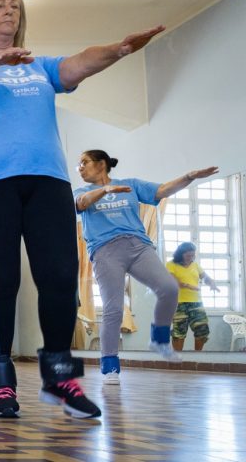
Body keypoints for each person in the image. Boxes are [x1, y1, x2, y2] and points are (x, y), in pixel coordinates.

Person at [0, 0, 164, 419]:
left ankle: (61, 380)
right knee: (1, 282)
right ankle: (1, 383)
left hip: (48, 182)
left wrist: (120, 49)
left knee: (62, 280)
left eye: (15, 6)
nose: (9, 12)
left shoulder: (40, 67)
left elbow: (79, 63)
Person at [75, 150, 216, 382]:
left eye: (84, 162)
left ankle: (159, 339)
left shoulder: (130, 185)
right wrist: (105, 190)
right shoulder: (81, 191)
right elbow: (82, 203)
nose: (80, 168)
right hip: (105, 250)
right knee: (113, 308)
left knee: (169, 288)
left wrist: (189, 177)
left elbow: (162, 190)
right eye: (78, 165)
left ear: (101, 164)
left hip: (138, 246)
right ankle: (110, 366)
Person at [167, 242, 220, 351]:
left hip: (196, 303)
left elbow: (205, 277)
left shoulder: (195, 265)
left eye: (192, 255)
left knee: (202, 331)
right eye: (188, 255)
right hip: (178, 303)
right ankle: (178, 357)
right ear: (181, 254)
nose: (190, 258)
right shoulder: (171, 264)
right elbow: (172, 281)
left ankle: (197, 357)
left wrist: (211, 283)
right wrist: (187, 285)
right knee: (179, 333)